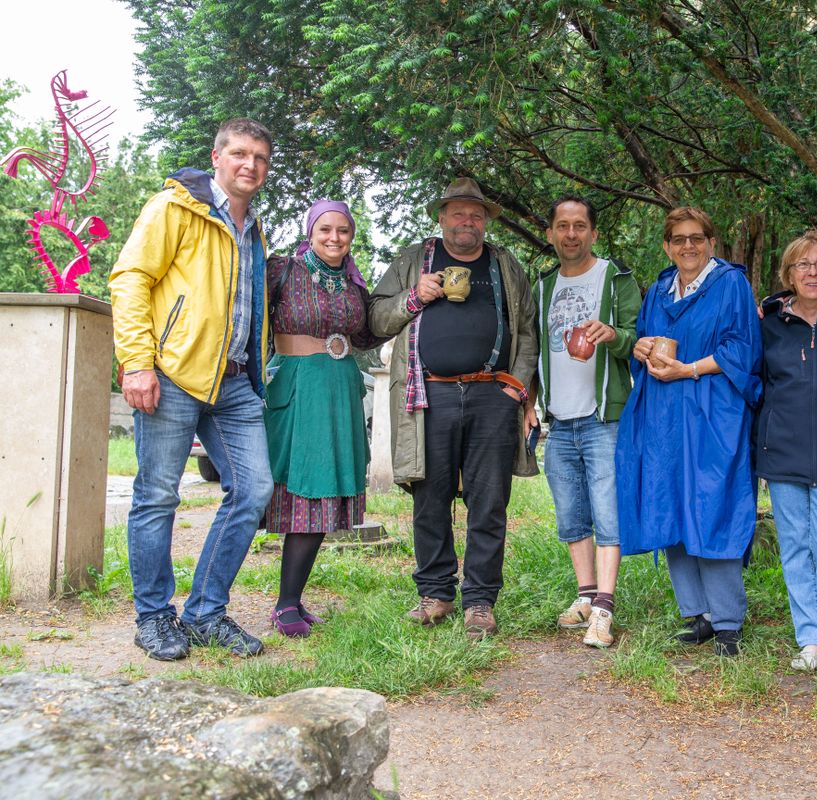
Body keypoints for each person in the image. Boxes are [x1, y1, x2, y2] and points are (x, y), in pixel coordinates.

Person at [109, 118, 275, 660]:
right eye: (240, 154)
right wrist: (137, 363)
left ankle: (205, 612)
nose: (250, 165)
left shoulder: (255, 230)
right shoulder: (174, 208)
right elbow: (130, 278)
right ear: (217, 157)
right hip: (174, 376)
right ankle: (154, 617)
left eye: (260, 158)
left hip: (233, 382)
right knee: (158, 496)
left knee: (253, 491)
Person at [368, 177, 538, 640]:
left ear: (484, 221)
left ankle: (480, 601)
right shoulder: (412, 260)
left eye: (476, 214)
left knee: (489, 503)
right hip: (428, 395)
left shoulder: (504, 263)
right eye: (458, 213)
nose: (468, 221)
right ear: (441, 217)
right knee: (430, 497)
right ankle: (437, 593)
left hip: (492, 395)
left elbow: (527, 330)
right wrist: (414, 296)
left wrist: (516, 388)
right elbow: (376, 318)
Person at [616, 207, 761, 658]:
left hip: (712, 409)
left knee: (712, 503)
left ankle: (729, 622)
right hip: (663, 414)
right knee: (672, 504)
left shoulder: (730, 284)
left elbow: (743, 348)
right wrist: (641, 347)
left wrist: (689, 369)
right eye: (678, 239)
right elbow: (643, 338)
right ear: (667, 246)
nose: (688, 247)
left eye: (696, 238)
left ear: (711, 242)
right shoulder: (659, 289)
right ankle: (698, 614)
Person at [264, 200, 386, 637]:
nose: (335, 238)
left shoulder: (354, 284)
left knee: (319, 501)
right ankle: (270, 604)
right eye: (326, 230)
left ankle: (291, 601)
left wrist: (413, 300)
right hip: (298, 389)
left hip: (339, 389)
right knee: (297, 492)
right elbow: (248, 316)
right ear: (311, 231)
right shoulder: (282, 271)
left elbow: (370, 332)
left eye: (344, 232)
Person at [528, 195, 640, 649]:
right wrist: (529, 405)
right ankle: (585, 595)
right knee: (572, 515)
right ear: (552, 233)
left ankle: (605, 609)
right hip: (559, 418)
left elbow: (641, 340)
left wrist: (613, 335)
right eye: (562, 226)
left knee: (608, 513)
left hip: (604, 417)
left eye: (579, 226)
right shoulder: (543, 286)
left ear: (593, 232)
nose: (571, 234)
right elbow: (533, 351)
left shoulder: (615, 278)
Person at [757, 231, 817, 671]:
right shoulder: (769, 322)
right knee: (794, 545)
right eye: (802, 265)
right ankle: (810, 637)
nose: (812, 272)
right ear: (788, 274)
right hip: (783, 448)